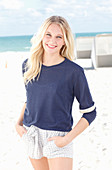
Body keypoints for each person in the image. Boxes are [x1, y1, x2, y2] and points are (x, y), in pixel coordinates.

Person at [15, 16, 96, 170]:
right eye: (48, 35)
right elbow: (30, 99)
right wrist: (18, 125)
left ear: (65, 41)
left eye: (59, 37)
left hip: (58, 137)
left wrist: (66, 140)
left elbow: (90, 113)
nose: (53, 41)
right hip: (32, 134)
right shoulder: (28, 65)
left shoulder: (74, 72)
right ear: (41, 35)